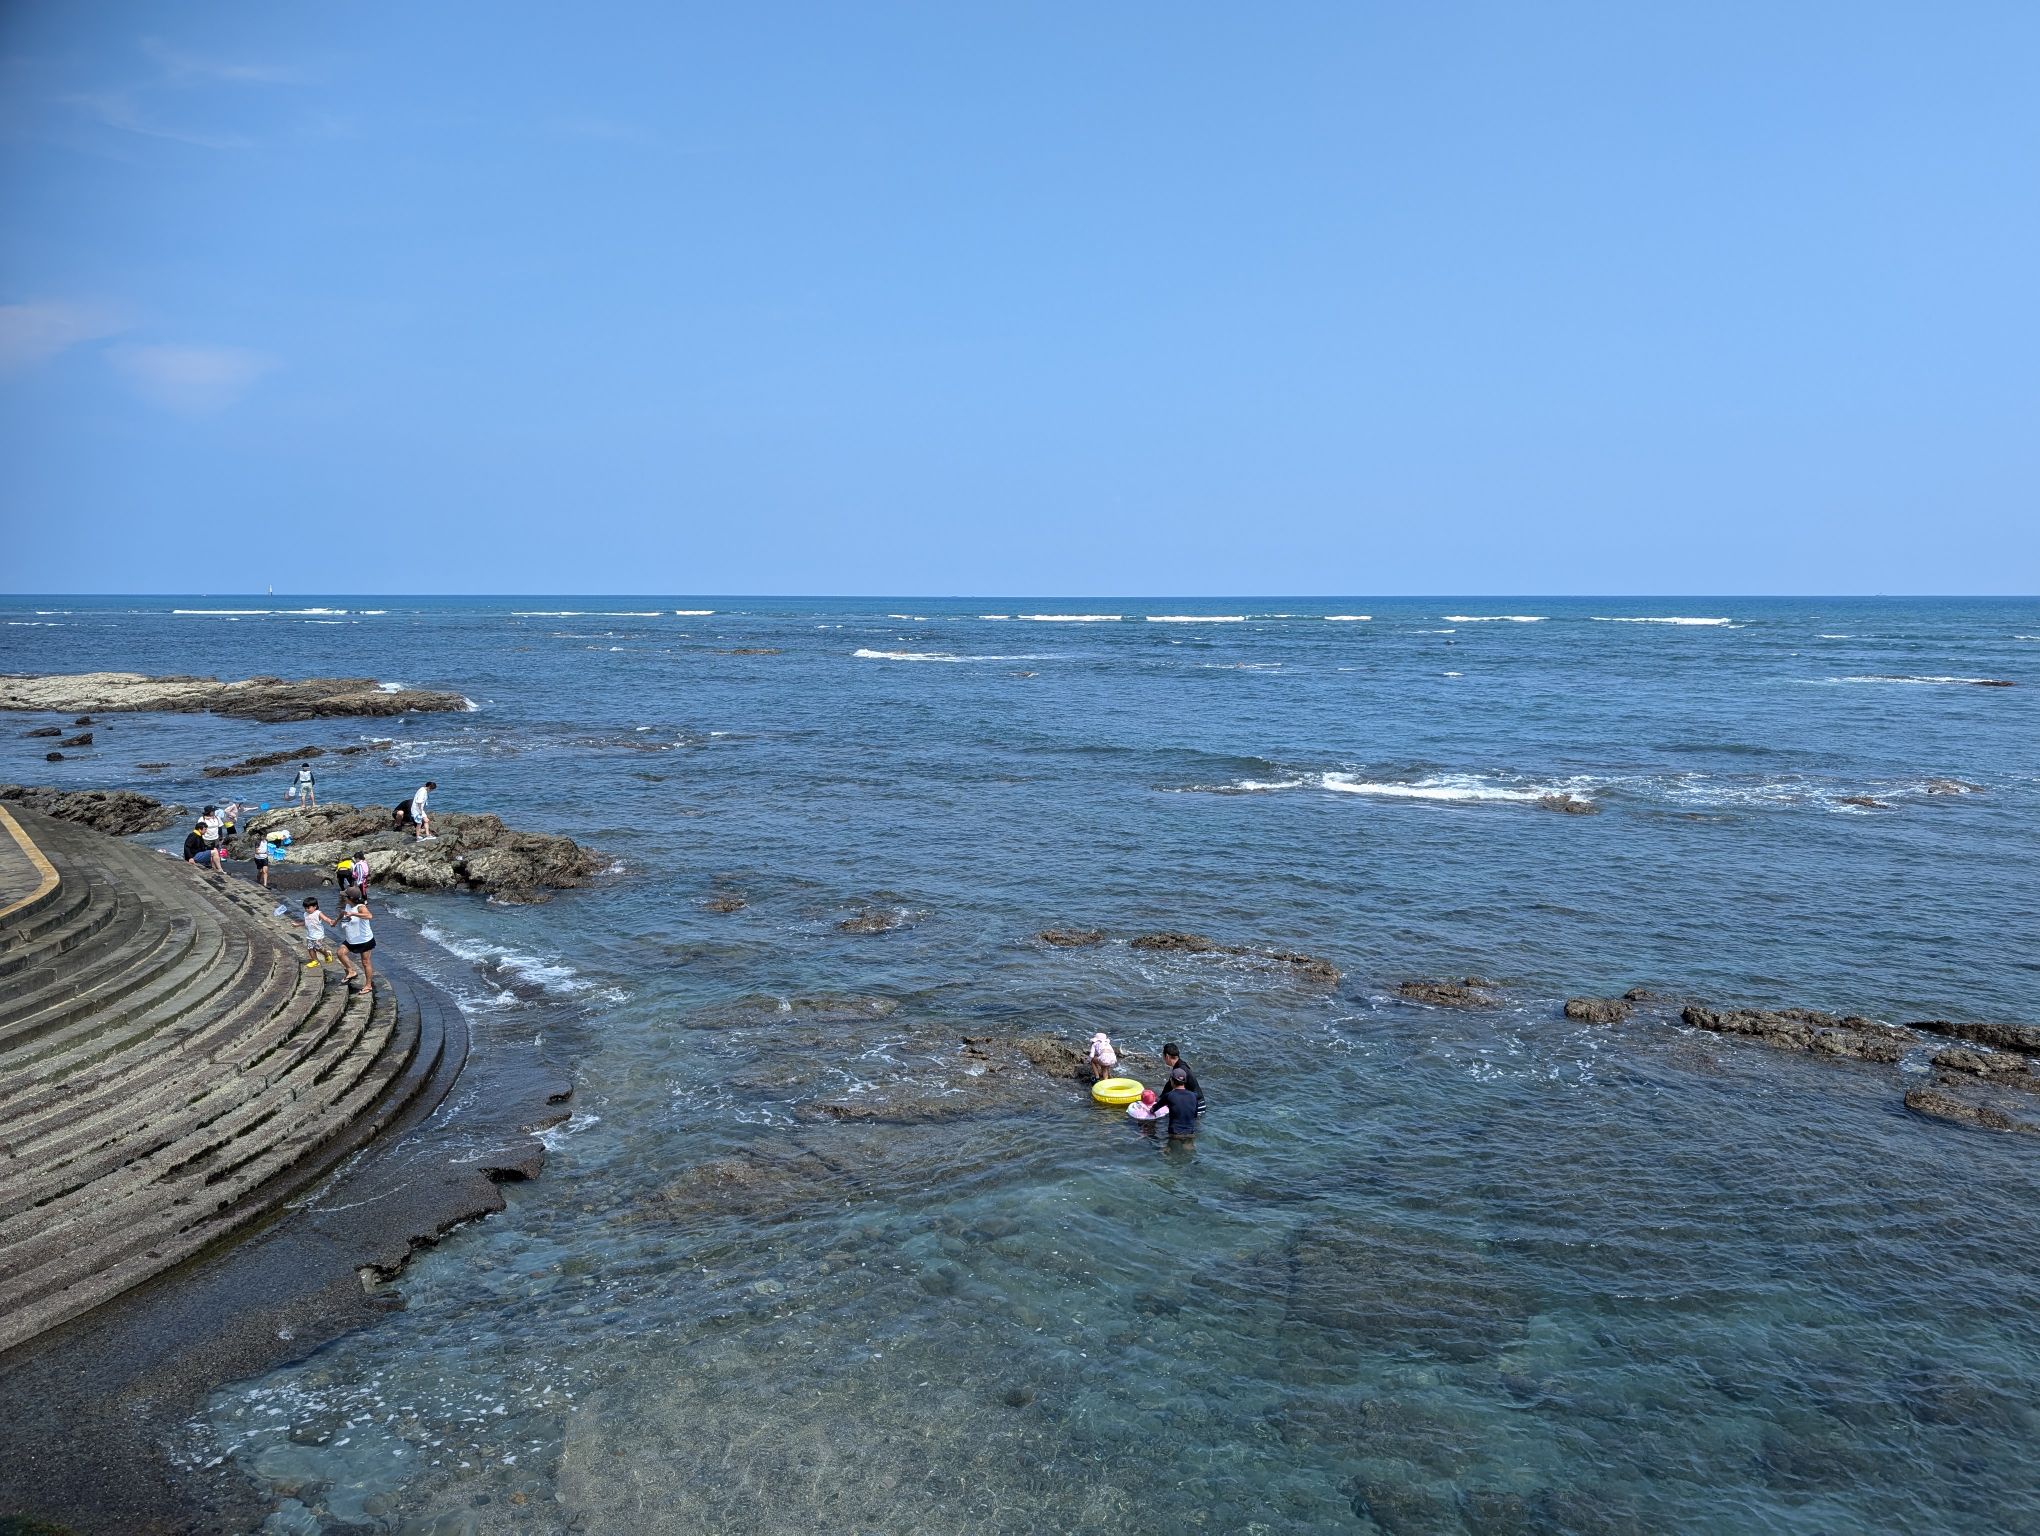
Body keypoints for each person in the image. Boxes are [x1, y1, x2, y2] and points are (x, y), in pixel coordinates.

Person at [337, 887, 376, 990]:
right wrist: (335, 920)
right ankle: (351, 971)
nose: (343, 897)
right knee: (340, 953)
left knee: (365, 962)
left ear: (350, 898)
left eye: (345, 896)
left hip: (364, 940)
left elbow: (369, 916)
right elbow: (343, 912)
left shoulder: (360, 907)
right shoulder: (348, 905)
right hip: (351, 939)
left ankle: (368, 985)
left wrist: (354, 914)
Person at [301, 896, 347, 975]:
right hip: (310, 935)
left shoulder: (318, 913)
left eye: (308, 908)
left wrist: (330, 922)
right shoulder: (305, 914)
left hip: (318, 935)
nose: (307, 909)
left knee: (318, 947)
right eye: (305, 908)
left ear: (315, 907)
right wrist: (297, 924)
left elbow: (325, 919)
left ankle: (327, 954)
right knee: (310, 948)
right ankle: (315, 960)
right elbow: (305, 922)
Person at [1159, 1066, 1200, 1139]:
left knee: (1169, 1149)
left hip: (1175, 1133)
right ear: (1185, 1081)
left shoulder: (1169, 1095)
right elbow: (1195, 1115)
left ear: (1172, 1080)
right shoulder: (1194, 1096)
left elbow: (1155, 1108)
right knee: (1189, 1149)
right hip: (1190, 1132)